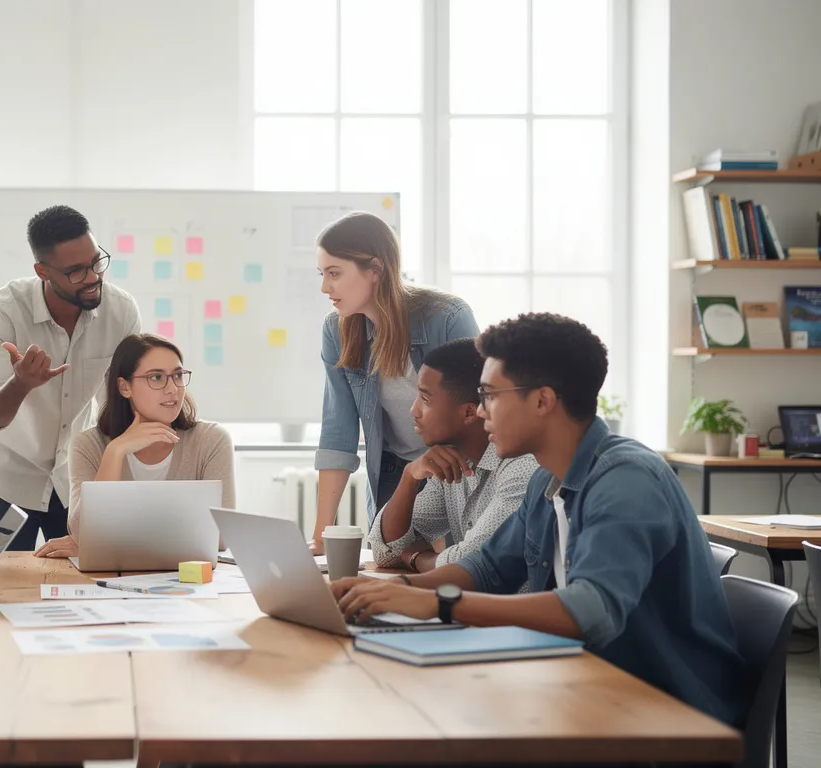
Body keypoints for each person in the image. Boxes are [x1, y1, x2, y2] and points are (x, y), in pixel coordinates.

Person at [330, 313, 748, 725]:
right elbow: (488, 569)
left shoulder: (626, 480)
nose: (481, 411)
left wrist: (436, 602)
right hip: (580, 685)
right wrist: (392, 589)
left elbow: (592, 610)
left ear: (543, 400)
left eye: (491, 395)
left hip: (663, 710)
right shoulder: (548, 480)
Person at [0, 205, 141, 550]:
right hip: (4, 478)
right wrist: (20, 385)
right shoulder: (0, 312)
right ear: (42, 271)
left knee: (86, 575)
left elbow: (120, 405)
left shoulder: (120, 312)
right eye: (75, 271)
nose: (93, 277)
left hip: (72, 476)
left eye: (96, 262)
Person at [310, 212, 478, 554]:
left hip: (455, 464)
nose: (325, 287)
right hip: (393, 470)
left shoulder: (447, 318)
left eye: (335, 273)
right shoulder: (337, 330)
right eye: (323, 274)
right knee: (390, 563)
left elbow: (481, 410)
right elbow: (338, 431)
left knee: (451, 571)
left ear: (375, 269)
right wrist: (319, 536)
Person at [35, 334, 235, 559]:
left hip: (188, 581)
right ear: (124, 387)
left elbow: (219, 537)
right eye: (157, 377)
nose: (173, 389)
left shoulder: (211, 440)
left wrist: (108, 542)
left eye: (178, 375)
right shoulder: (89, 445)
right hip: (112, 580)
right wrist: (115, 452)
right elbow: (83, 534)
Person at [366, 338, 538, 572]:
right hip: (470, 606)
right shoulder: (451, 462)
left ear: (469, 412)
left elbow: (471, 563)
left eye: (425, 399)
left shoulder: (522, 468)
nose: (413, 410)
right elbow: (386, 553)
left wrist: (416, 557)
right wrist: (409, 477)